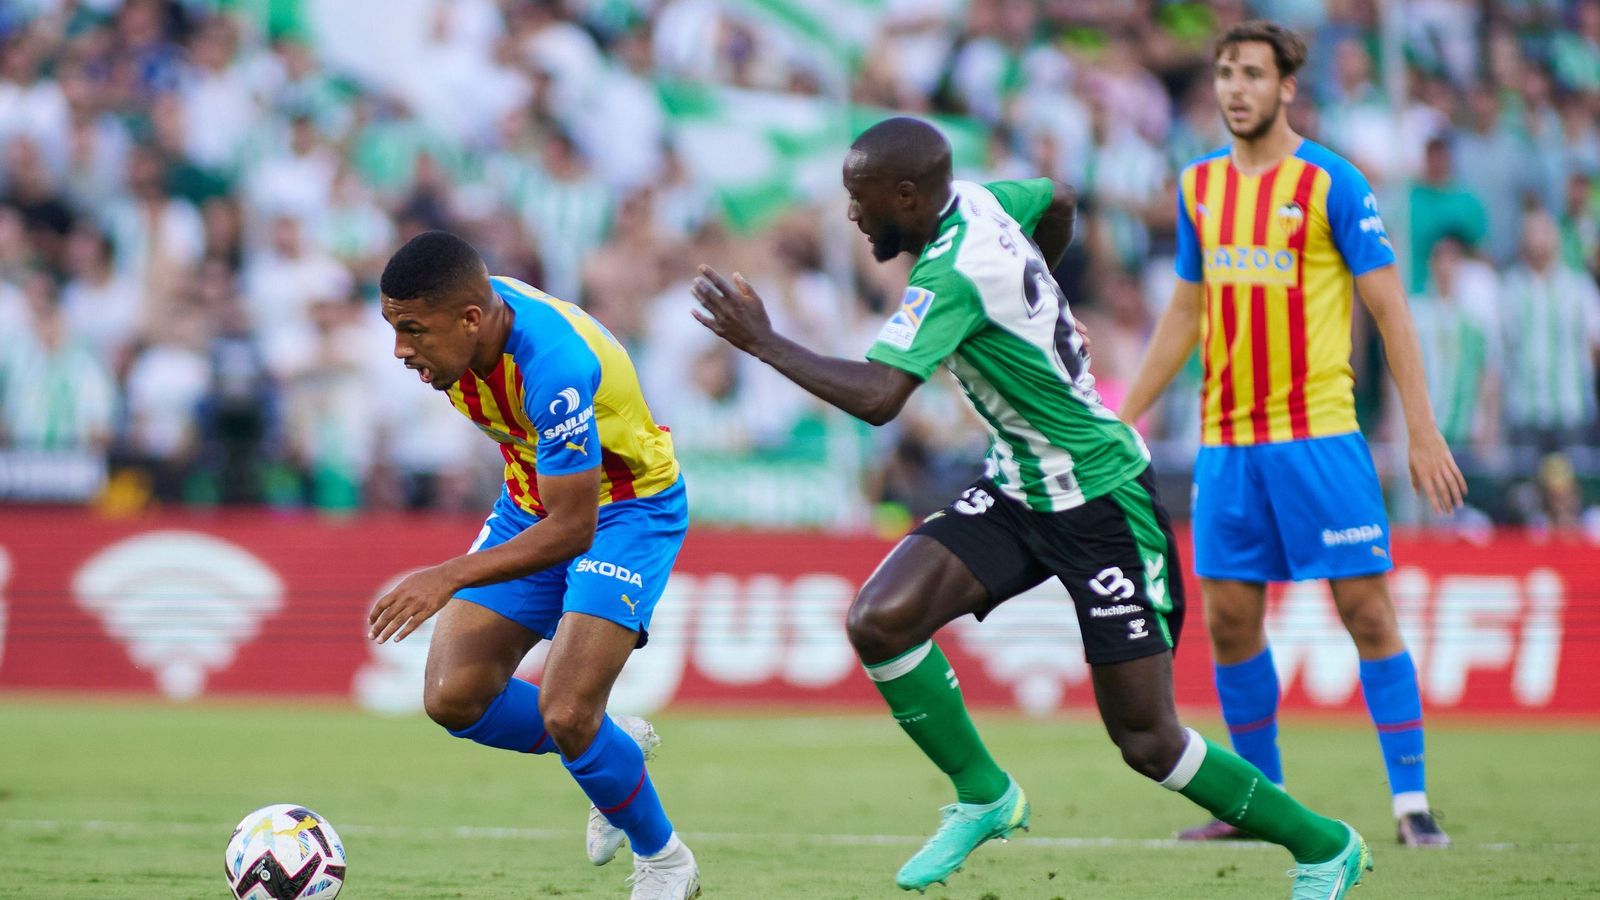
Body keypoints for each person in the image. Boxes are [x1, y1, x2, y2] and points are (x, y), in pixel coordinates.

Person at [692, 116, 1371, 899]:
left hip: (1104, 502)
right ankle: (985, 794)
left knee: (1148, 741)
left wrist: (764, 343)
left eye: (861, 198)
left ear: (908, 196)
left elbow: (881, 399)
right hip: (1019, 486)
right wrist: (1040, 297)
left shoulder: (950, 271)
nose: (852, 215)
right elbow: (1060, 198)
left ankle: (1326, 845)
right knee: (879, 619)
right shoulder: (981, 201)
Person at [1118, 21, 1467, 849]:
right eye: (1225, 73)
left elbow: (1389, 310)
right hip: (1227, 446)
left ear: (1286, 89)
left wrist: (1421, 430)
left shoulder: (1333, 183)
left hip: (1319, 438)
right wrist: (1121, 412)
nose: (1235, 88)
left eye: (1252, 75)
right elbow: (1185, 312)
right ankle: (1256, 803)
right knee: (1232, 622)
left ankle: (1412, 805)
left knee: (1366, 613)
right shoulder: (1200, 185)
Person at [366, 231, 699, 899]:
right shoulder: (462, 336)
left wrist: (450, 573)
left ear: (468, 319)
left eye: (411, 330)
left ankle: (666, 862)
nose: (400, 349)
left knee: (566, 710)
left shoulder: (552, 366)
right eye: (392, 327)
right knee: (453, 695)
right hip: (531, 504)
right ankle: (611, 747)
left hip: (624, 512)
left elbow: (574, 527)